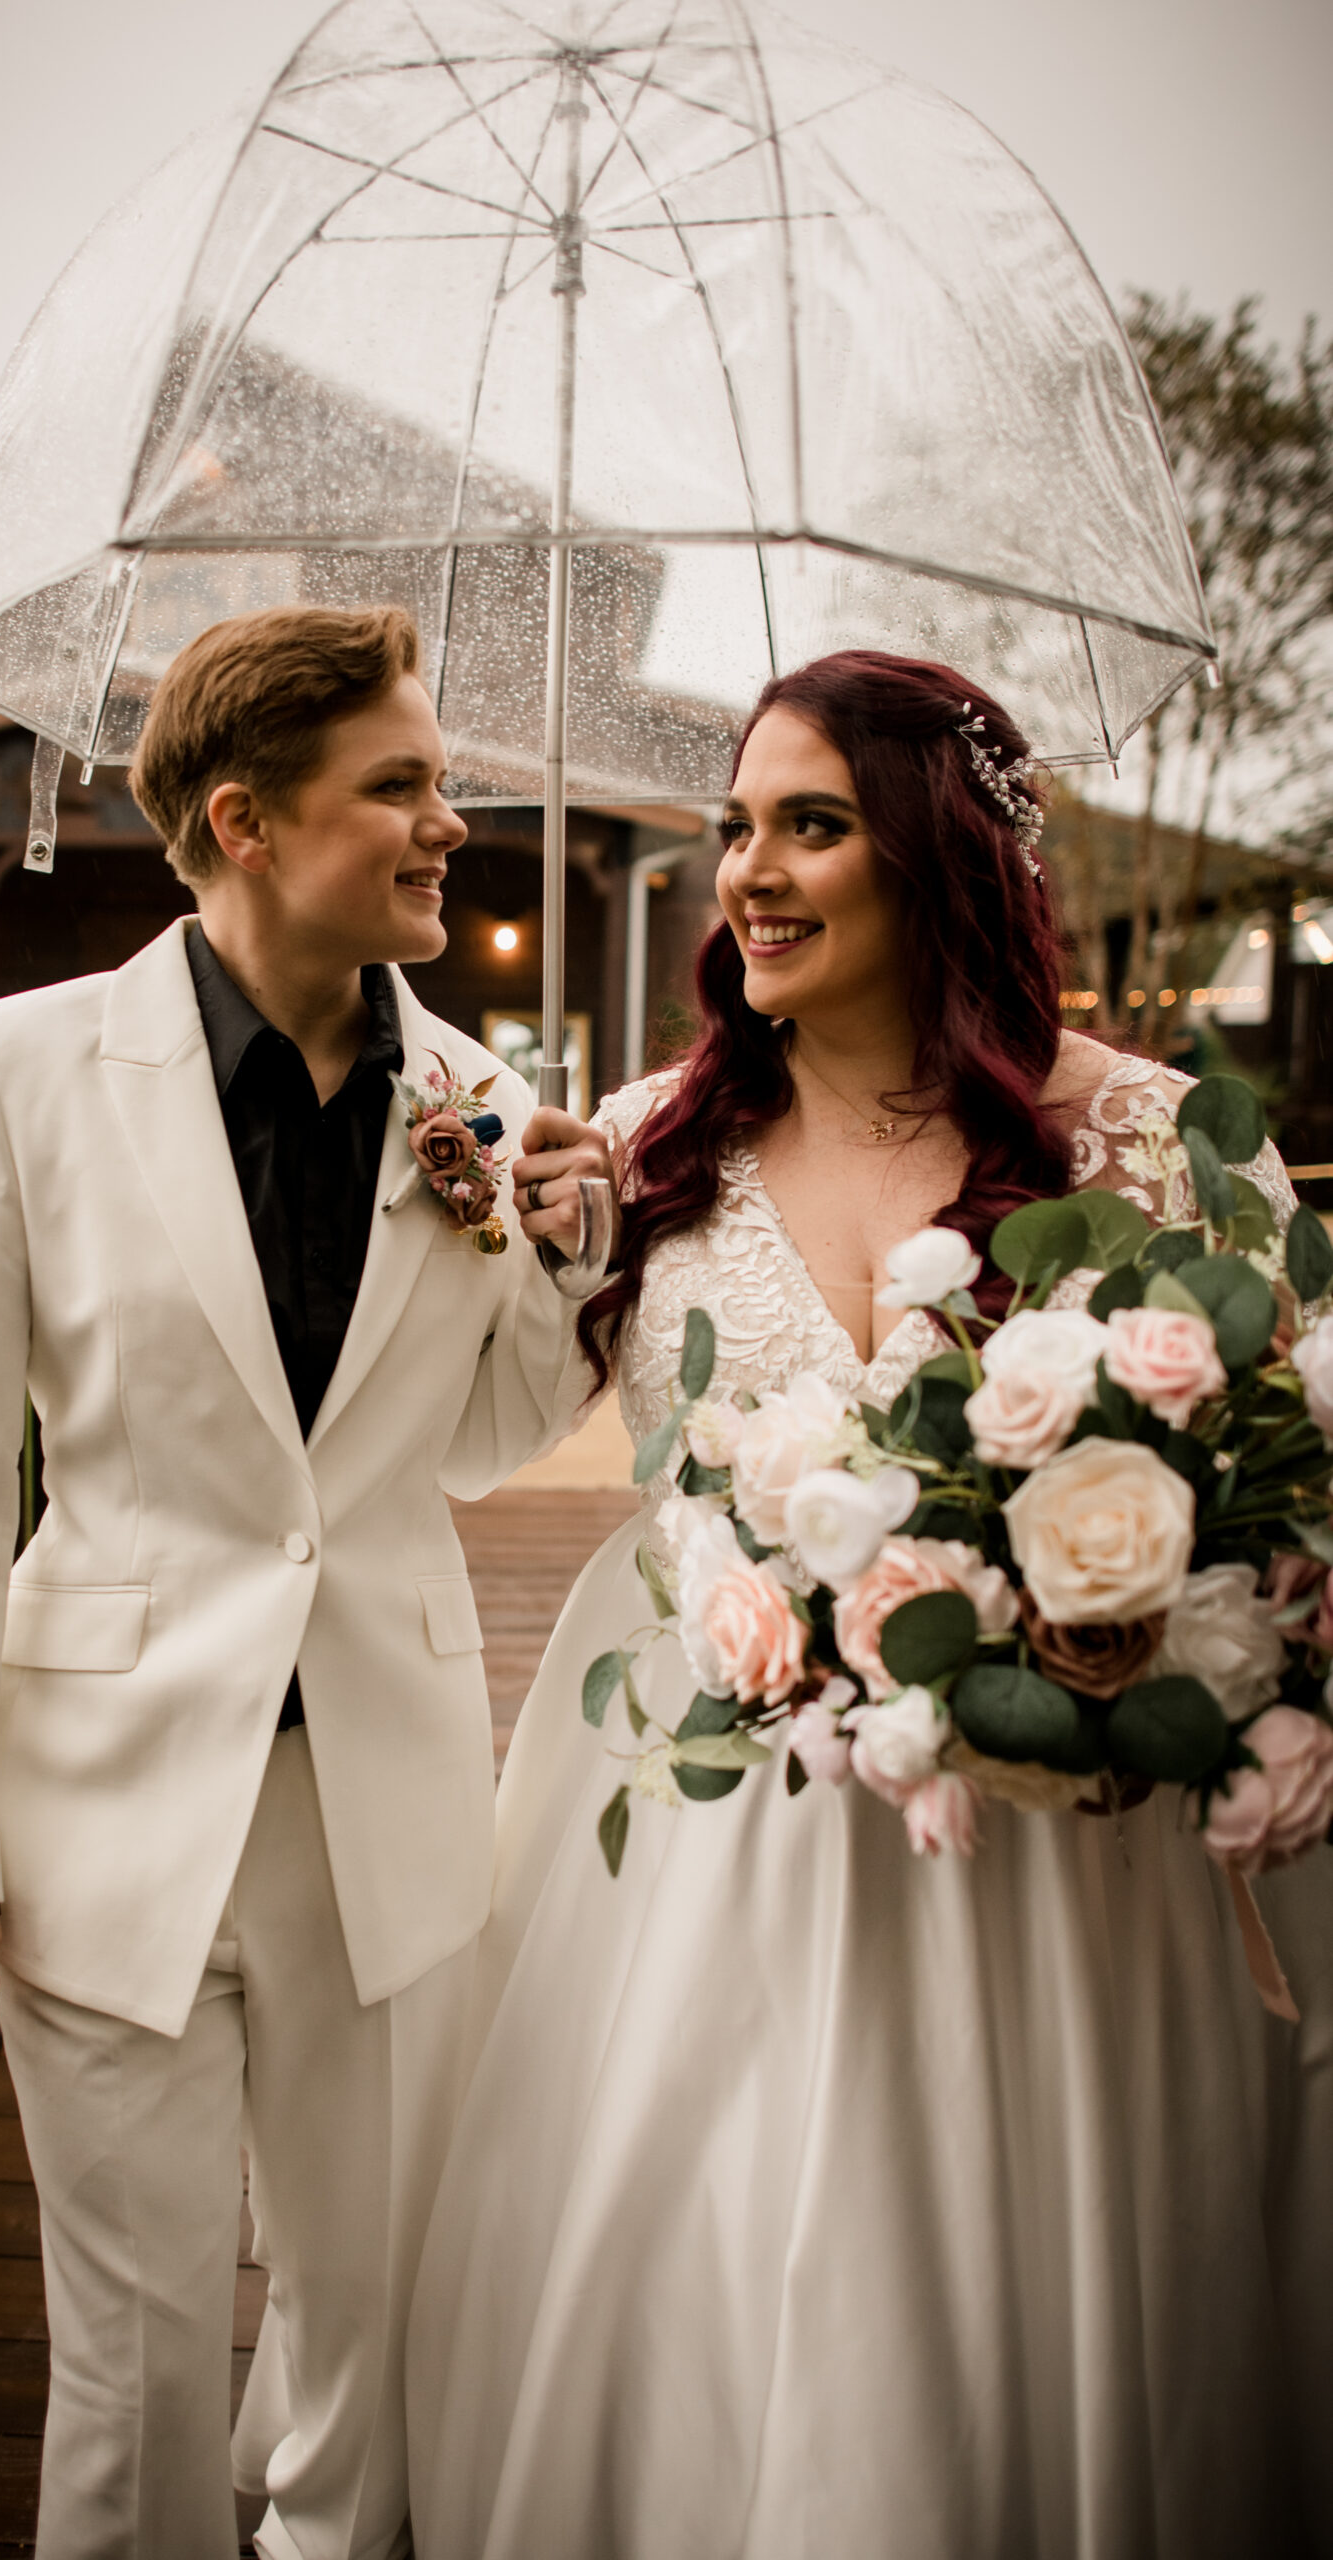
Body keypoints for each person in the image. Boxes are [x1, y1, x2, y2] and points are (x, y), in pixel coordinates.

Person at [406, 649, 1333, 2560]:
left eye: (811, 823)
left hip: (1065, 1850)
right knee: (720, 2280)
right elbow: (477, 1431)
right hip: (721, 1846)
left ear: (940, 860)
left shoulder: (1150, 1138)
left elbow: (1280, 1469)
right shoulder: (648, 1140)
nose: (748, 868)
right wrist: (492, 1244)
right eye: (736, 824)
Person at [0, 603, 615, 2560]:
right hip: (107, 1805)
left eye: (445, 780)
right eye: (404, 785)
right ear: (247, 817)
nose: (449, 821)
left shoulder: (474, 1091)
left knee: (366, 2318)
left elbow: (475, 1439)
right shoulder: (19, 1069)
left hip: (387, 1796)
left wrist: (566, 1260)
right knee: (133, 2344)